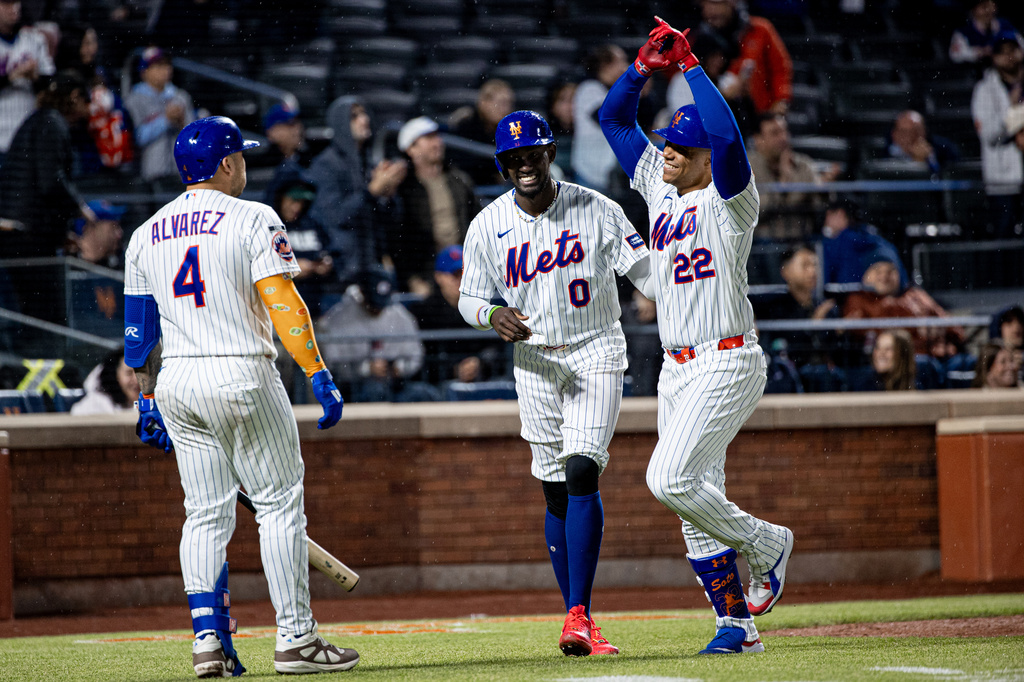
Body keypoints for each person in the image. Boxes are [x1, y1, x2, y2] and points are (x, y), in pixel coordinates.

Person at [123, 115, 358, 677]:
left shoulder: (145, 232)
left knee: (204, 515)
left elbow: (138, 335)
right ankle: (296, 640)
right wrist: (318, 373)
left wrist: (146, 398)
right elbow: (284, 304)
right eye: (242, 157)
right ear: (226, 164)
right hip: (242, 373)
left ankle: (206, 639)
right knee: (279, 505)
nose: (245, 165)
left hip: (178, 380)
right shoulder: (254, 216)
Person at [600, 17, 793, 655]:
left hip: (728, 360)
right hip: (677, 370)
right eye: (670, 146)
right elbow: (615, 123)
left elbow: (731, 140)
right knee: (693, 509)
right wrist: (639, 70)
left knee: (668, 479)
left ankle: (767, 543)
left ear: (706, 159)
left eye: (682, 147)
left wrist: (690, 68)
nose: (670, 153)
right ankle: (736, 626)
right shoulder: (660, 186)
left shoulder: (731, 202)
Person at [458, 109, 656, 657]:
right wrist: (488, 315)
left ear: (550, 154)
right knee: (553, 489)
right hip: (535, 362)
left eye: (533, 154)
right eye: (513, 158)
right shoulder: (486, 226)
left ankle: (579, 613)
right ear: (503, 166)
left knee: (581, 468)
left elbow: (649, 276)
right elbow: (467, 297)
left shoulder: (597, 209)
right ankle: (578, 619)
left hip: (595, 348)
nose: (525, 164)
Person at [0, 70, 95, 333]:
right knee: (45, 320)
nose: (89, 110)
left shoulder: (41, 121)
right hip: (25, 235)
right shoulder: (52, 122)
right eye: (87, 101)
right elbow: (50, 183)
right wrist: (81, 209)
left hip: (23, 232)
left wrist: (59, 233)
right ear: (75, 98)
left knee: (38, 314)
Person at [307, 95, 405, 286]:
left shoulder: (369, 163)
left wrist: (389, 194)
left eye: (364, 114)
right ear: (340, 122)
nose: (364, 119)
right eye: (354, 116)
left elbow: (392, 220)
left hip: (374, 266)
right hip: (342, 272)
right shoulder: (325, 165)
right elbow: (334, 216)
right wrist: (372, 192)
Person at [318, 266, 438, 403]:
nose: (378, 309)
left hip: (397, 384)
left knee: (426, 393)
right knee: (375, 391)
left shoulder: (399, 314)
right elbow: (332, 362)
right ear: (362, 293)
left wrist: (399, 367)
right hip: (354, 387)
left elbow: (416, 354)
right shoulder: (340, 317)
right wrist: (367, 368)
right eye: (374, 303)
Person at [390, 116, 479, 295]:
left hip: (464, 268)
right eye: (429, 138)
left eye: (437, 137)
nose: (437, 143)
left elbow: (478, 222)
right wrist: (412, 279)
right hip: (426, 274)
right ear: (411, 149)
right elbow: (397, 242)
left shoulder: (459, 181)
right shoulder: (403, 189)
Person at [408, 244, 505, 387]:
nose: (460, 280)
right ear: (438, 277)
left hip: (482, 384)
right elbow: (419, 363)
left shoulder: (485, 306)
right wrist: (452, 371)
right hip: (436, 390)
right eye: (454, 275)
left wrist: (481, 364)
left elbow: (498, 351)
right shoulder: (422, 312)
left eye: (465, 274)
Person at [752, 244, 846, 392]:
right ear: (786, 271)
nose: (812, 271)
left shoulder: (828, 308)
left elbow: (839, 350)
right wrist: (814, 325)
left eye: (815, 265)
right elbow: (787, 348)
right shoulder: (773, 307)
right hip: (791, 377)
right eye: (805, 265)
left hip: (826, 376)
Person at [842, 250, 962, 357]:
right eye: (878, 271)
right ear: (865, 275)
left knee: (965, 362)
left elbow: (952, 327)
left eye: (890, 271)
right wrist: (919, 333)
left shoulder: (916, 295)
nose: (884, 276)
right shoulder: (858, 299)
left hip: (936, 356)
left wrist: (939, 333)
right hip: (898, 360)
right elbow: (862, 332)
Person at [746, 112, 839, 241]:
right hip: (763, 246)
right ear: (758, 139)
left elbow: (820, 206)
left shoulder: (803, 165)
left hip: (802, 242)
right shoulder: (746, 168)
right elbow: (751, 211)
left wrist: (824, 189)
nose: (783, 138)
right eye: (775, 133)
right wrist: (782, 186)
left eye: (784, 131)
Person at [694, 0, 792, 120]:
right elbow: (682, 82)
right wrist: (723, 95)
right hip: (719, 121)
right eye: (706, 4)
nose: (712, 10)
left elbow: (780, 68)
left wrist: (781, 99)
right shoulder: (695, 40)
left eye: (717, 3)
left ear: (732, 2)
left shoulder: (760, 30)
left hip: (760, 118)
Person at [971, 30, 1024, 237]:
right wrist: (1014, 112)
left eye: (1013, 50)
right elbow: (990, 136)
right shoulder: (984, 90)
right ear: (993, 57)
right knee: (1005, 242)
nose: (1009, 56)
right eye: (1002, 52)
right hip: (1004, 181)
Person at [125, 46, 195, 186]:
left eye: (167, 65)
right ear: (144, 71)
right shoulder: (134, 99)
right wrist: (166, 120)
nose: (165, 70)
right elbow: (137, 138)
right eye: (158, 66)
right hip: (149, 173)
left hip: (180, 172)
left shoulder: (180, 97)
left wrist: (181, 122)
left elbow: (193, 139)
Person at [270, 175, 338, 318]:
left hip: (312, 307)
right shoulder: (268, 226)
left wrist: (326, 265)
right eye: (293, 201)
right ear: (281, 198)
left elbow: (335, 254)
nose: (297, 207)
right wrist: (289, 270)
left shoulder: (312, 224)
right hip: (277, 311)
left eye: (301, 202)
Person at [0, 0, 55, 163]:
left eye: (16, 3)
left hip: (28, 129)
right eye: (7, 4)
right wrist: (13, 76)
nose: (14, 9)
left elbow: (51, 85)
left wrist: (35, 76)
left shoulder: (34, 39)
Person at [571, 44, 630, 193]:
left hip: (607, 170)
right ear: (605, 65)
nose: (625, 67)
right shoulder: (589, 88)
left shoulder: (610, 91)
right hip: (589, 170)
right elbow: (606, 117)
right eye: (621, 61)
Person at [819, 197, 908, 290]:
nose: (826, 222)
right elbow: (903, 281)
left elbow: (825, 281)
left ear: (840, 214)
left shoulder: (836, 244)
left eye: (828, 216)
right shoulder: (880, 240)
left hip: (851, 301)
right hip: (887, 300)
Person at [447, 78, 516, 187]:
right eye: (501, 103)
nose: (506, 109)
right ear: (484, 103)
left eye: (509, 104)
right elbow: (465, 163)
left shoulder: (512, 130)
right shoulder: (466, 127)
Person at [260, 100, 310, 206]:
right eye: (290, 124)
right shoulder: (263, 167)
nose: (298, 129)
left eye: (298, 123)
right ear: (271, 131)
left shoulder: (307, 160)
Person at [887, 110, 961, 175]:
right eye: (904, 132)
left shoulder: (945, 149)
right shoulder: (885, 153)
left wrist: (928, 159)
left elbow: (945, 180)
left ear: (924, 131)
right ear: (894, 135)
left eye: (916, 131)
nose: (911, 137)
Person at [949, 0, 1023, 65]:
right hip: (977, 72)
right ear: (974, 9)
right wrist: (980, 52)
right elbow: (955, 55)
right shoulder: (963, 31)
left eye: (991, 6)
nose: (988, 10)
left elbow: (1022, 45)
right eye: (984, 7)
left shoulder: (1006, 25)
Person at [70, 349, 138, 415]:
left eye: (142, 373)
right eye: (129, 373)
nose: (137, 380)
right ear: (115, 375)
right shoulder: (97, 405)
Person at [851, 329, 917, 391]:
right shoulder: (863, 385)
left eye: (888, 349)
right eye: (878, 347)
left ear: (903, 354)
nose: (881, 353)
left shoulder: (919, 383)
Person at [69, 199, 126, 266]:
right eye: (113, 227)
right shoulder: (66, 266)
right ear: (90, 229)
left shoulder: (124, 260)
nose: (120, 234)